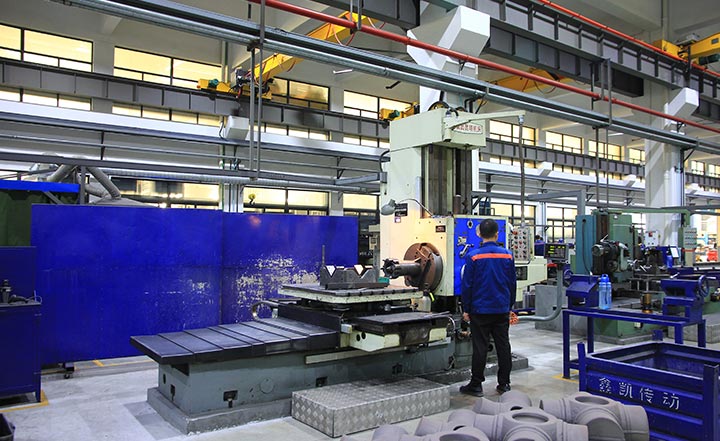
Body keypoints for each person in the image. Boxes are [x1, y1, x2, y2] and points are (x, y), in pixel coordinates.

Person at [460, 218, 517, 397]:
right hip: (501, 309)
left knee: (480, 348)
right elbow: (512, 283)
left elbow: (467, 285)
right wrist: (509, 306)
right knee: (503, 346)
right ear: (497, 234)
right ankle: (504, 384)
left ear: (479, 234)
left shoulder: (473, 256)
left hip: (480, 310)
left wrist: (466, 309)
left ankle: (476, 385)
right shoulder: (507, 255)